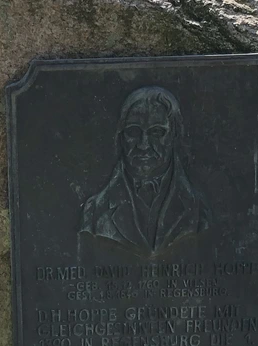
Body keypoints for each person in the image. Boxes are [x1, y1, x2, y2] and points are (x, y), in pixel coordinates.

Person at [78, 86, 211, 255]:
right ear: (121, 137)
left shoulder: (199, 210)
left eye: (156, 132)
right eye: (133, 132)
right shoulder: (95, 212)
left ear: (175, 135)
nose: (143, 145)